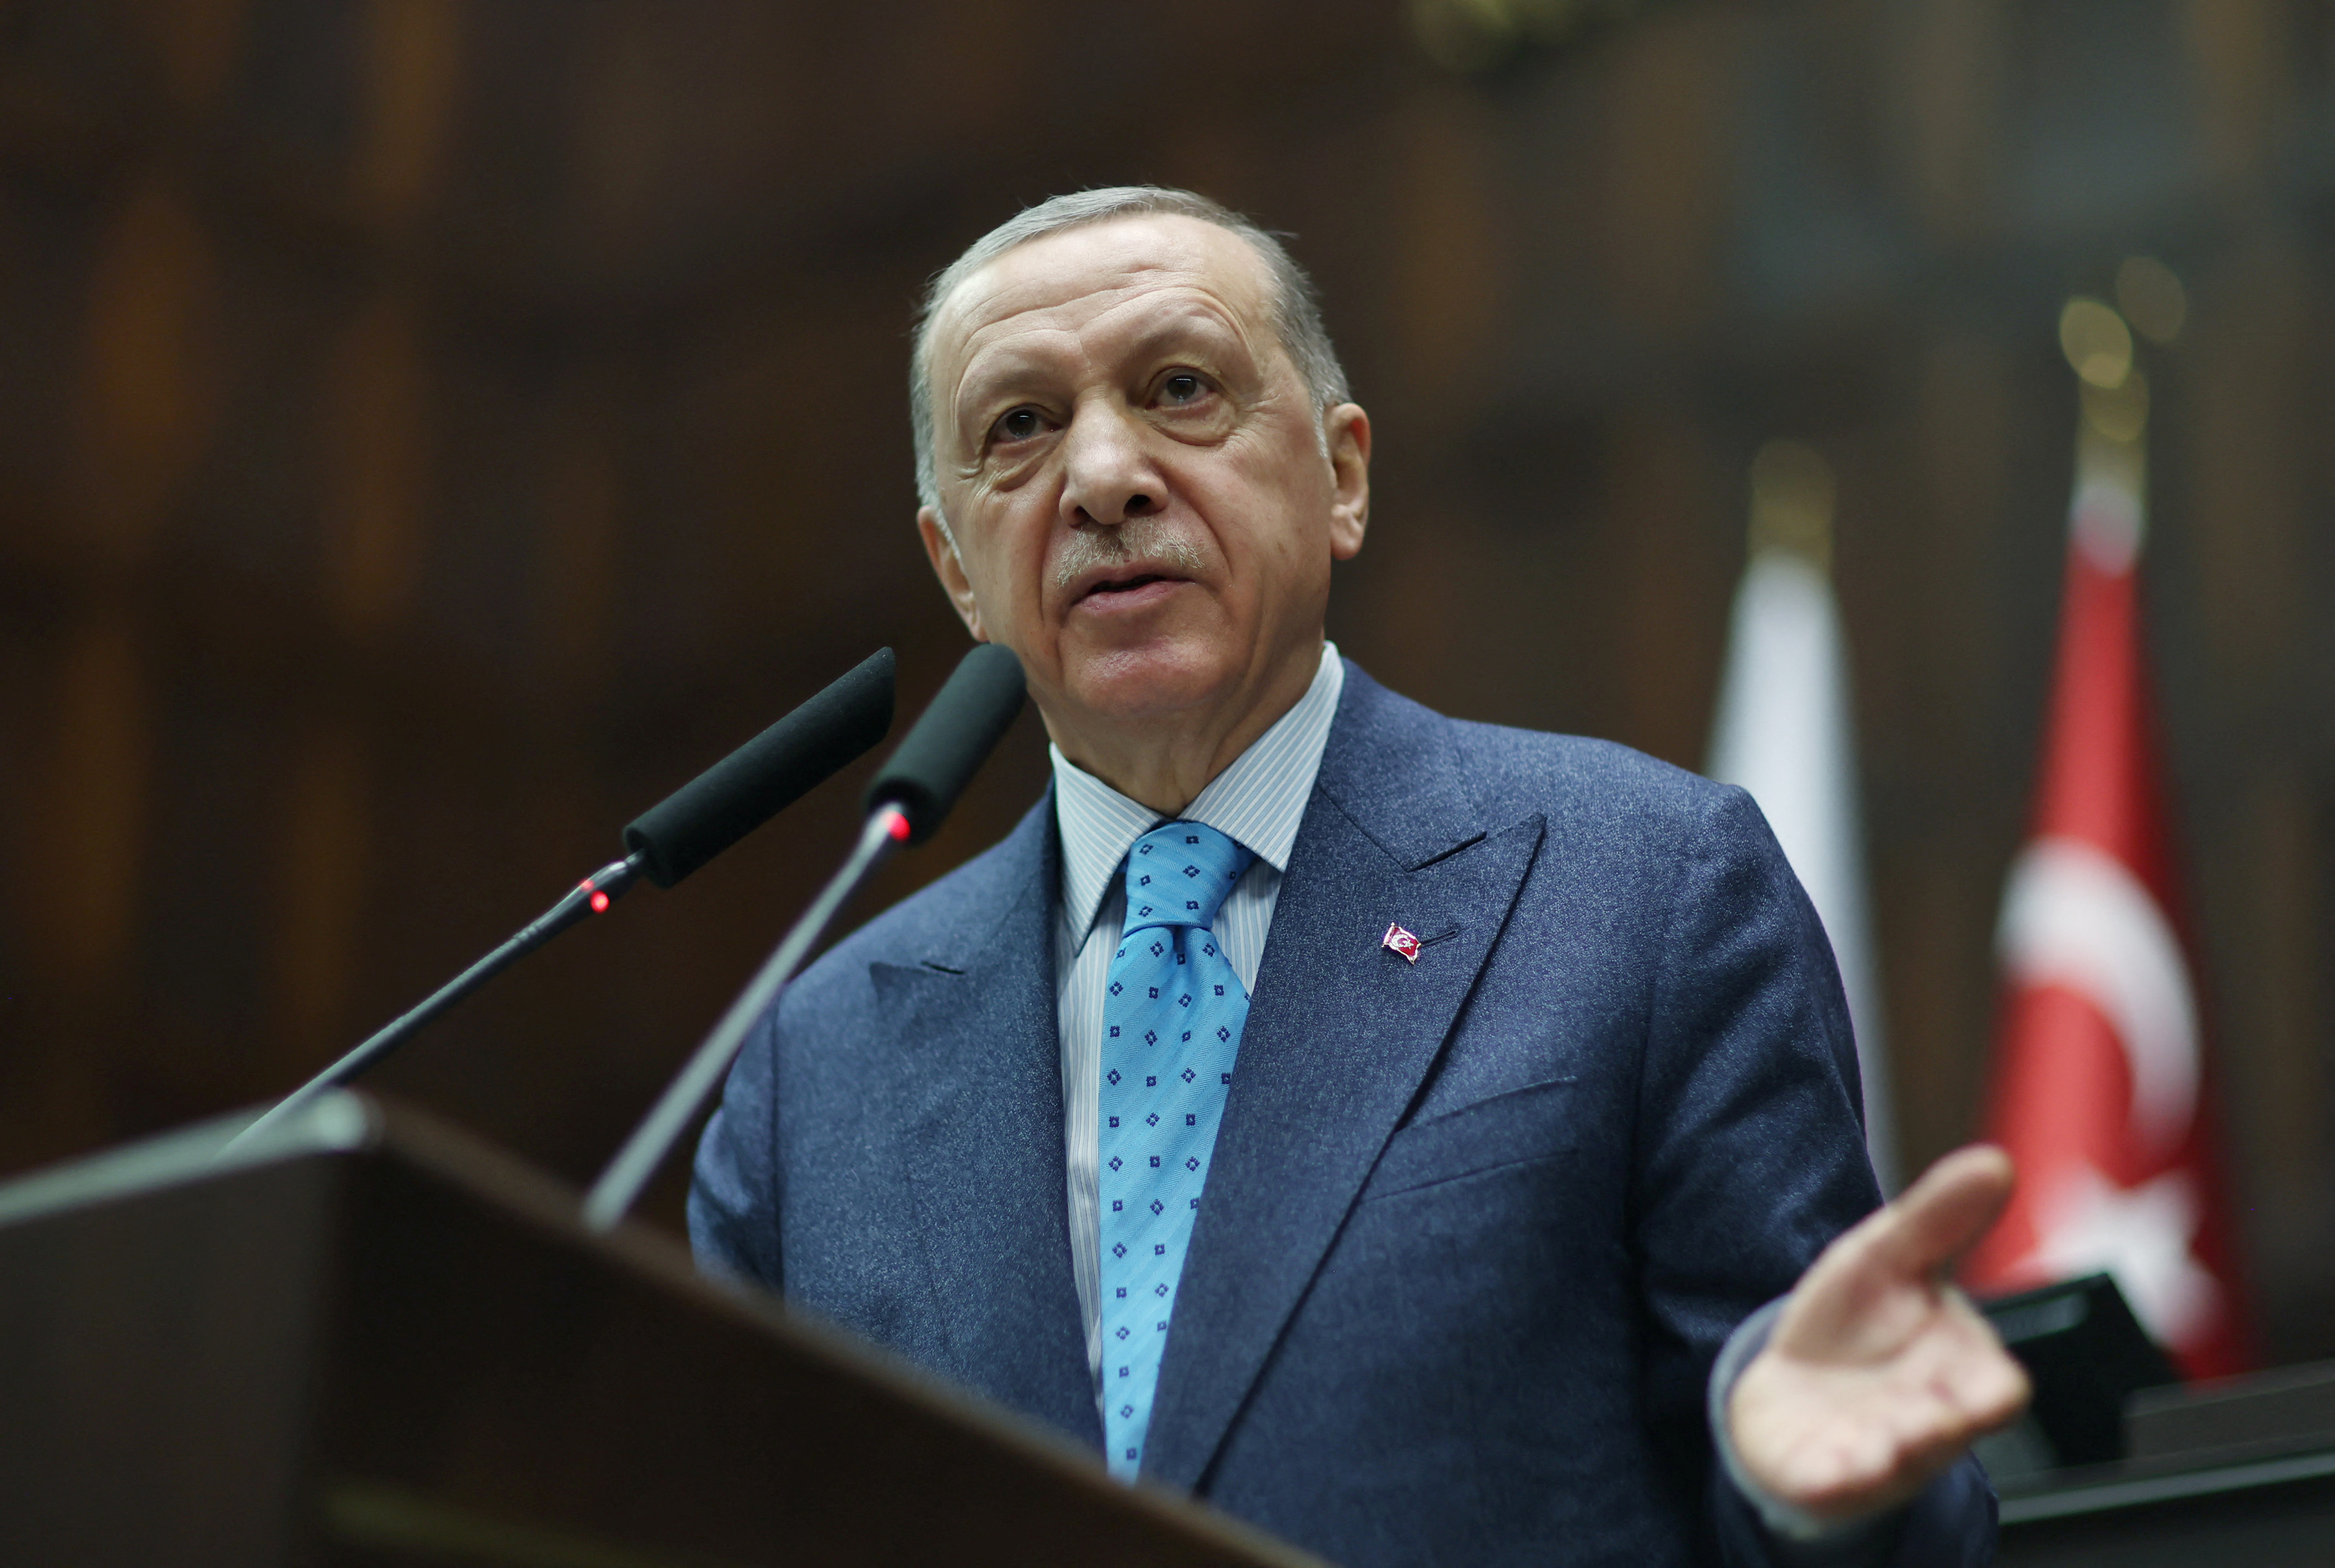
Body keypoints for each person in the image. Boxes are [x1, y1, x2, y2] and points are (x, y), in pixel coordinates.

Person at [690, 186, 2027, 1567]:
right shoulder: (814, 1071)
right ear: (954, 568)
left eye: (1180, 387)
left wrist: (1817, 1500)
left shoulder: (1646, 889)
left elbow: (1878, 1475)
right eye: (1018, 427)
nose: (1101, 477)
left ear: (1343, 477)